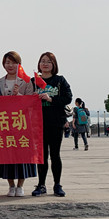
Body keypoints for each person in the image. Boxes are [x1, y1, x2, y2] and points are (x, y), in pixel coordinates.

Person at [31, 52, 73, 198]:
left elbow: (68, 98)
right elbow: (25, 99)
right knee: (41, 156)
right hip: (38, 123)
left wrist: (51, 99)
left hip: (55, 123)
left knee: (55, 155)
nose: (45, 64)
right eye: (43, 61)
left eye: (49, 61)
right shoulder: (33, 81)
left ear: (54, 64)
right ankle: (41, 184)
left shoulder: (59, 80)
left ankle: (57, 184)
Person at [0, 51, 36, 197]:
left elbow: (32, 102)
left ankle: (20, 186)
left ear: (19, 64)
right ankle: (11, 185)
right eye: (7, 62)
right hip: (5, 124)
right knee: (7, 158)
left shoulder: (27, 81)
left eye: (13, 62)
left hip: (22, 125)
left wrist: (19, 96)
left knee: (22, 157)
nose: (10, 65)